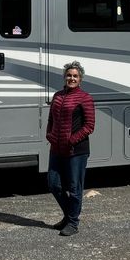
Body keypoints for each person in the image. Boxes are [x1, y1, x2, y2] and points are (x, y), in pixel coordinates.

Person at [45, 60, 96, 236]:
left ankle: (73, 223)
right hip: (57, 149)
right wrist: (49, 135)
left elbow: (89, 125)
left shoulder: (85, 98)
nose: (71, 78)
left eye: (75, 76)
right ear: (64, 77)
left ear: (80, 79)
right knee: (53, 184)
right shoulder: (58, 96)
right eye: (69, 75)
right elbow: (51, 119)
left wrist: (71, 140)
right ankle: (69, 215)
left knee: (75, 189)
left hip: (76, 151)